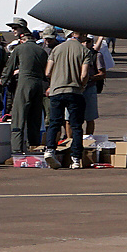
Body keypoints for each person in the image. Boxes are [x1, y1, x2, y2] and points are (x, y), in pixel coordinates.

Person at [40, 30, 93, 168]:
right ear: (82, 35)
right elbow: (84, 74)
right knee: (76, 126)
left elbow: (47, 72)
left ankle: (50, 149)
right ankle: (75, 158)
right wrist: (82, 85)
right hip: (74, 91)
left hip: (57, 90)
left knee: (54, 122)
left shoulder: (57, 49)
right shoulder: (84, 51)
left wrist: (55, 81)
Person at [1, 21, 48, 154]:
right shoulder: (42, 51)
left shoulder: (19, 49)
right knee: (35, 118)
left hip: (24, 83)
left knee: (18, 117)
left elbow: (9, 68)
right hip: (39, 85)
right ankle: (34, 147)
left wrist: (3, 81)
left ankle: (16, 150)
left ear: (22, 39)